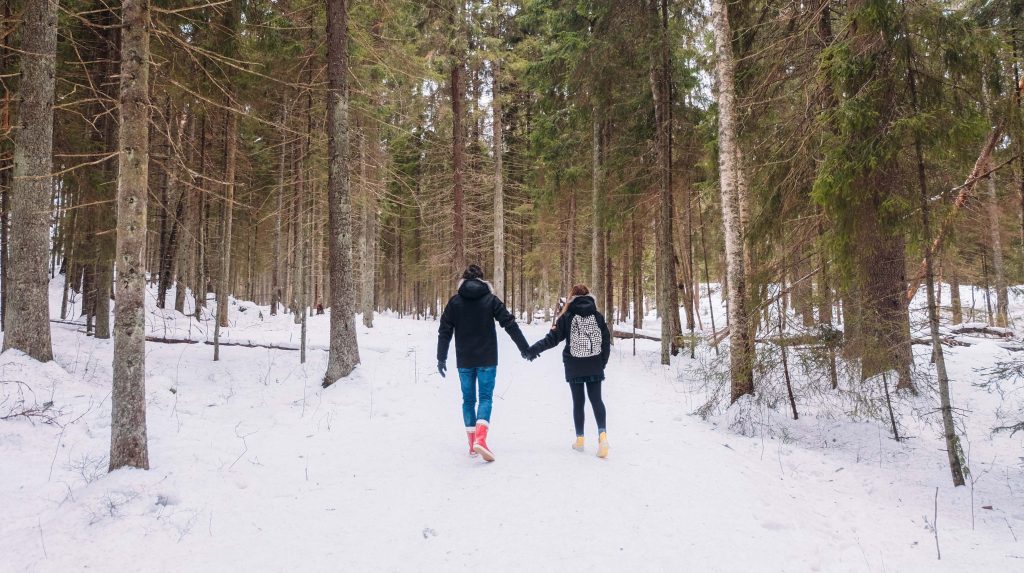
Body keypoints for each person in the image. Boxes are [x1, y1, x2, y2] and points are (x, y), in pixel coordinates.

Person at [437, 264, 530, 462]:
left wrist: (441, 357)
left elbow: (445, 330)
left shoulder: (454, 302)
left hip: (464, 360)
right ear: (482, 279)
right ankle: (481, 438)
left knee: (468, 400)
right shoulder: (490, 300)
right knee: (485, 398)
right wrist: (524, 348)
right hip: (487, 358)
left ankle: (473, 445)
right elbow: (509, 323)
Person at [524, 284, 611, 458]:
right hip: (594, 363)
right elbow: (606, 341)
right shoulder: (597, 315)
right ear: (588, 296)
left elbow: (552, 339)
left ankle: (579, 440)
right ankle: (602, 436)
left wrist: (532, 350)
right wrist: (601, 363)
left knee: (578, 402)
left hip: (574, 365)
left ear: (571, 296)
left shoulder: (567, 316)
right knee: (596, 400)